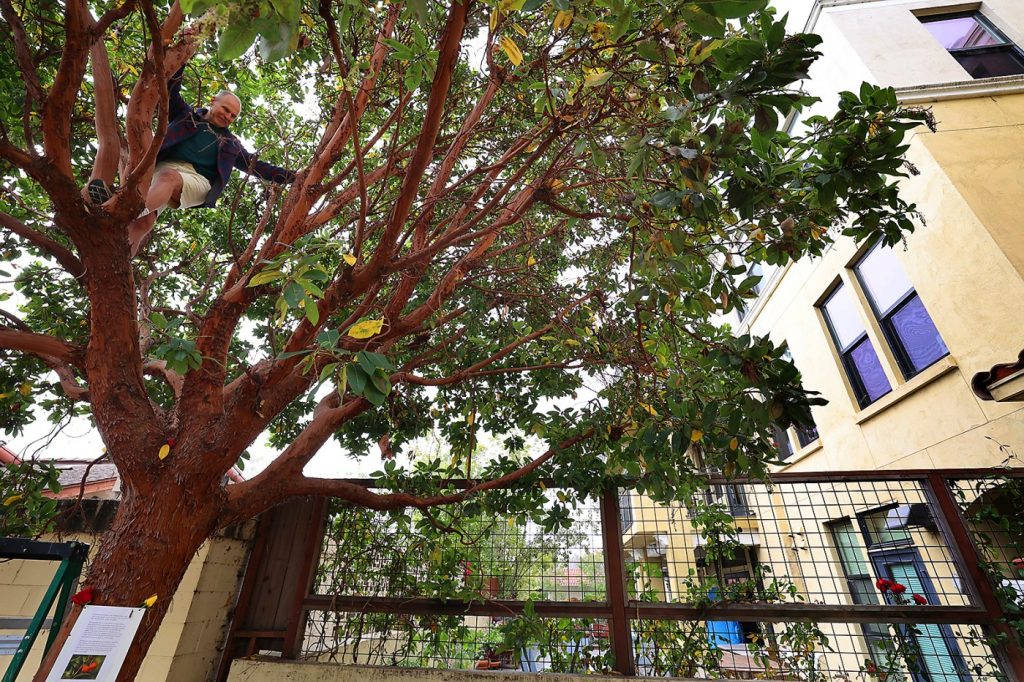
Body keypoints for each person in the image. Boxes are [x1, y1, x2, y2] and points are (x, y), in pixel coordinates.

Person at [87, 48, 296, 255]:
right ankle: (119, 258)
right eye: (226, 110)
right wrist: (183, 56)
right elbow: (171, 89)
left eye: (233, 116)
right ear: (213, 101)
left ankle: (123, 210)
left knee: (168, 179)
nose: (228, 117)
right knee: (145, 221)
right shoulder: (186, 116)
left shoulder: (230, 143)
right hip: (159, 168)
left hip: (197, 180)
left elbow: (258, 167)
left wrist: (294, 177)